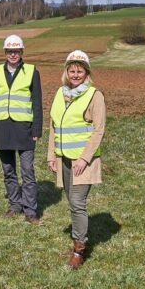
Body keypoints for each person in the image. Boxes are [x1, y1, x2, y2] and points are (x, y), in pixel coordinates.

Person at [47, 50, 106, 269]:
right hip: (64, 158)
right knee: (72, 202)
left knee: (78, 203)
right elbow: (54, 126)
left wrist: (84, 158)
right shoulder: (60, 94)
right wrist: (51, 155)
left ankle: (79, 249)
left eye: (79, 70)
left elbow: (98, 130)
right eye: (71, 70)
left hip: (83, 162)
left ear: (87, 72)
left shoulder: (94, 95)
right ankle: (78, 240)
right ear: (66, 72)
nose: (75, 74)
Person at [0, 35, 43, 224]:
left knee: (27, 170)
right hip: (3, 128)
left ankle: (30, 210)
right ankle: (14, 205)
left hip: (24, 128)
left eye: (16, 51)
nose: (13, 54)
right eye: (10, 51)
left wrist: (37, 130)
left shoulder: (32, 72)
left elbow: (37, 103)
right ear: (5, 52)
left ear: (22, 52)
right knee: (8, 170)